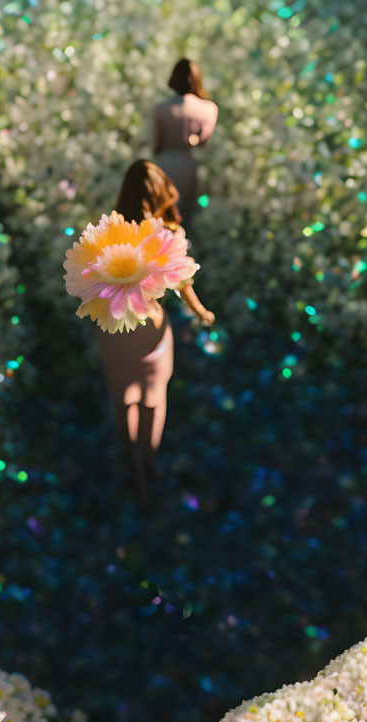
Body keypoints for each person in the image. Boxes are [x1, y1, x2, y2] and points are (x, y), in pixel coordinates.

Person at [96, 160, 215, 509]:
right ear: (162, 192)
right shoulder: (167, 233)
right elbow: (184, 285)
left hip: (116, 325)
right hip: (149, 325)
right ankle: (150, 463)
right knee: (152, 397)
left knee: (123, 397)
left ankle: (131, 465)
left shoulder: (108, 232)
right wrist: (201, 313)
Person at [152, 58, 218, 231]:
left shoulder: (161, 108)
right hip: (189, 163)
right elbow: (203, 141)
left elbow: (156, 144)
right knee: (185, 217)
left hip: (165, 162)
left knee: (162, 215)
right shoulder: (208, 108)